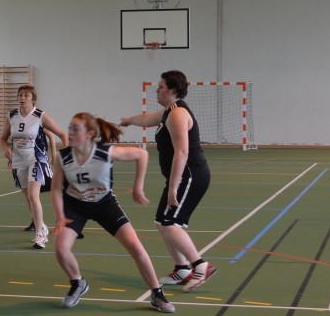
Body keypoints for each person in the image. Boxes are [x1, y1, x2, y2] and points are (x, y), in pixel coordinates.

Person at [51, 112, 175, 312]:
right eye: (69, 128)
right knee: (60, 249)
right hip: (75, 205)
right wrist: (60, 216)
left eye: (75, 129)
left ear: (89, 133)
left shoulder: (105, 153)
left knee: (136, 247)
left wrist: (138, 188)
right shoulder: (62, 157)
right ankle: (77, 283)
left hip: (104, 204)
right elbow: (56, 189)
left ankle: (157, 294)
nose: (70, 133)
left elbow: (142, 155)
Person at [120, 70, 215, 292]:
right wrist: (128, 121)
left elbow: (182, 152)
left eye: (161, 86)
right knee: (162, 222)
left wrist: (173, 188)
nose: (157, 89)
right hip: (183, 177)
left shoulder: (178, 114)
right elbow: (146, 119)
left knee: (169, 224)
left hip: (190, 176)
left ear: (172, 90)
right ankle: (182, 270)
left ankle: (201, 266)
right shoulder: (168, 111)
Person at [0, 85, 68, 249]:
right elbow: (2, 138)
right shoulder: (11, 116)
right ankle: (41, 225)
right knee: (27, 197)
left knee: (33, 195)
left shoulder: (40, 115)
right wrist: (6, 150)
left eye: (26, 95)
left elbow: (61, 134)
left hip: (36, 158)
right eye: (20, 95)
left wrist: (67, 155)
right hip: (18, 160)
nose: (22, 98)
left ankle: (40, 235)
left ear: (33, 99)